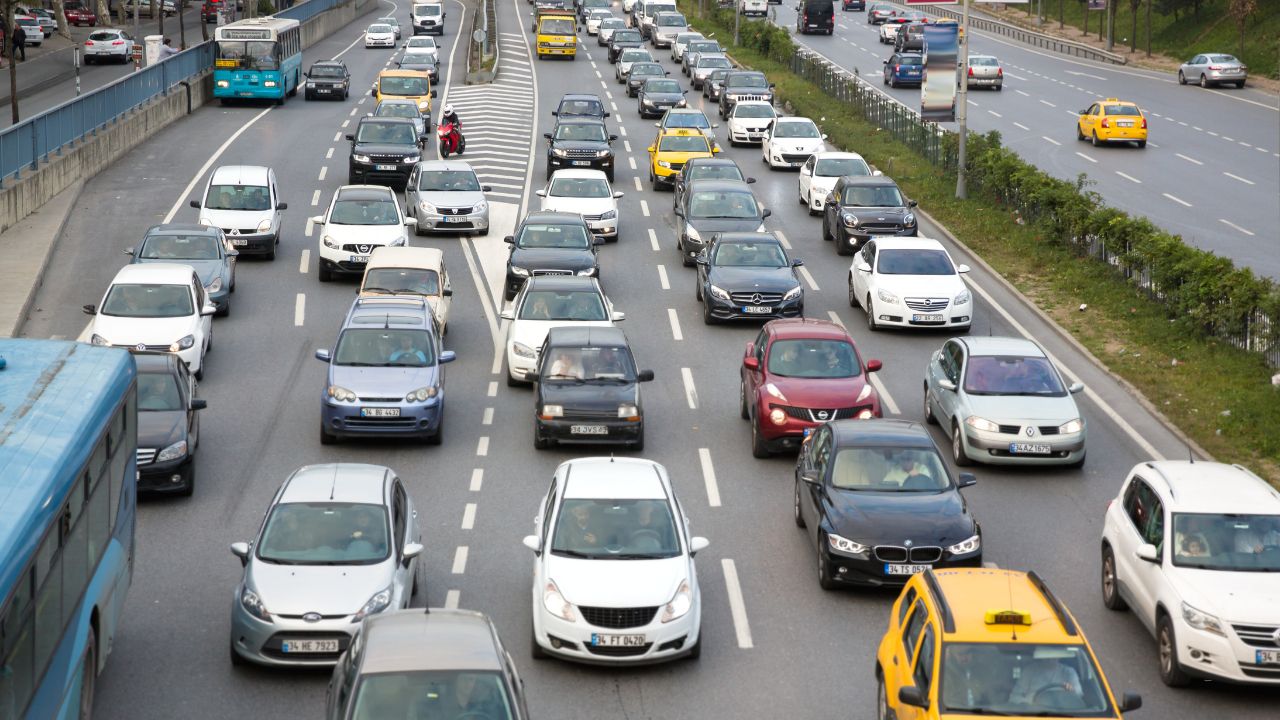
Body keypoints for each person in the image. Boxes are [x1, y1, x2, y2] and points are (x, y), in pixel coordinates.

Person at [1007, 658, 1083, 706]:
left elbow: (1079, 695)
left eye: (1053, 655)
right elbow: (1014, 697)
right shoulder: (1030, 671)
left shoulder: (1068, 672)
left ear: (1059, 656)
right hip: (1032, 714)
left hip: (1064, 713)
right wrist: (1030, 705)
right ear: (1041, 656)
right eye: (1047, 656)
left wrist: (1071, 691)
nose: (1050, 659)